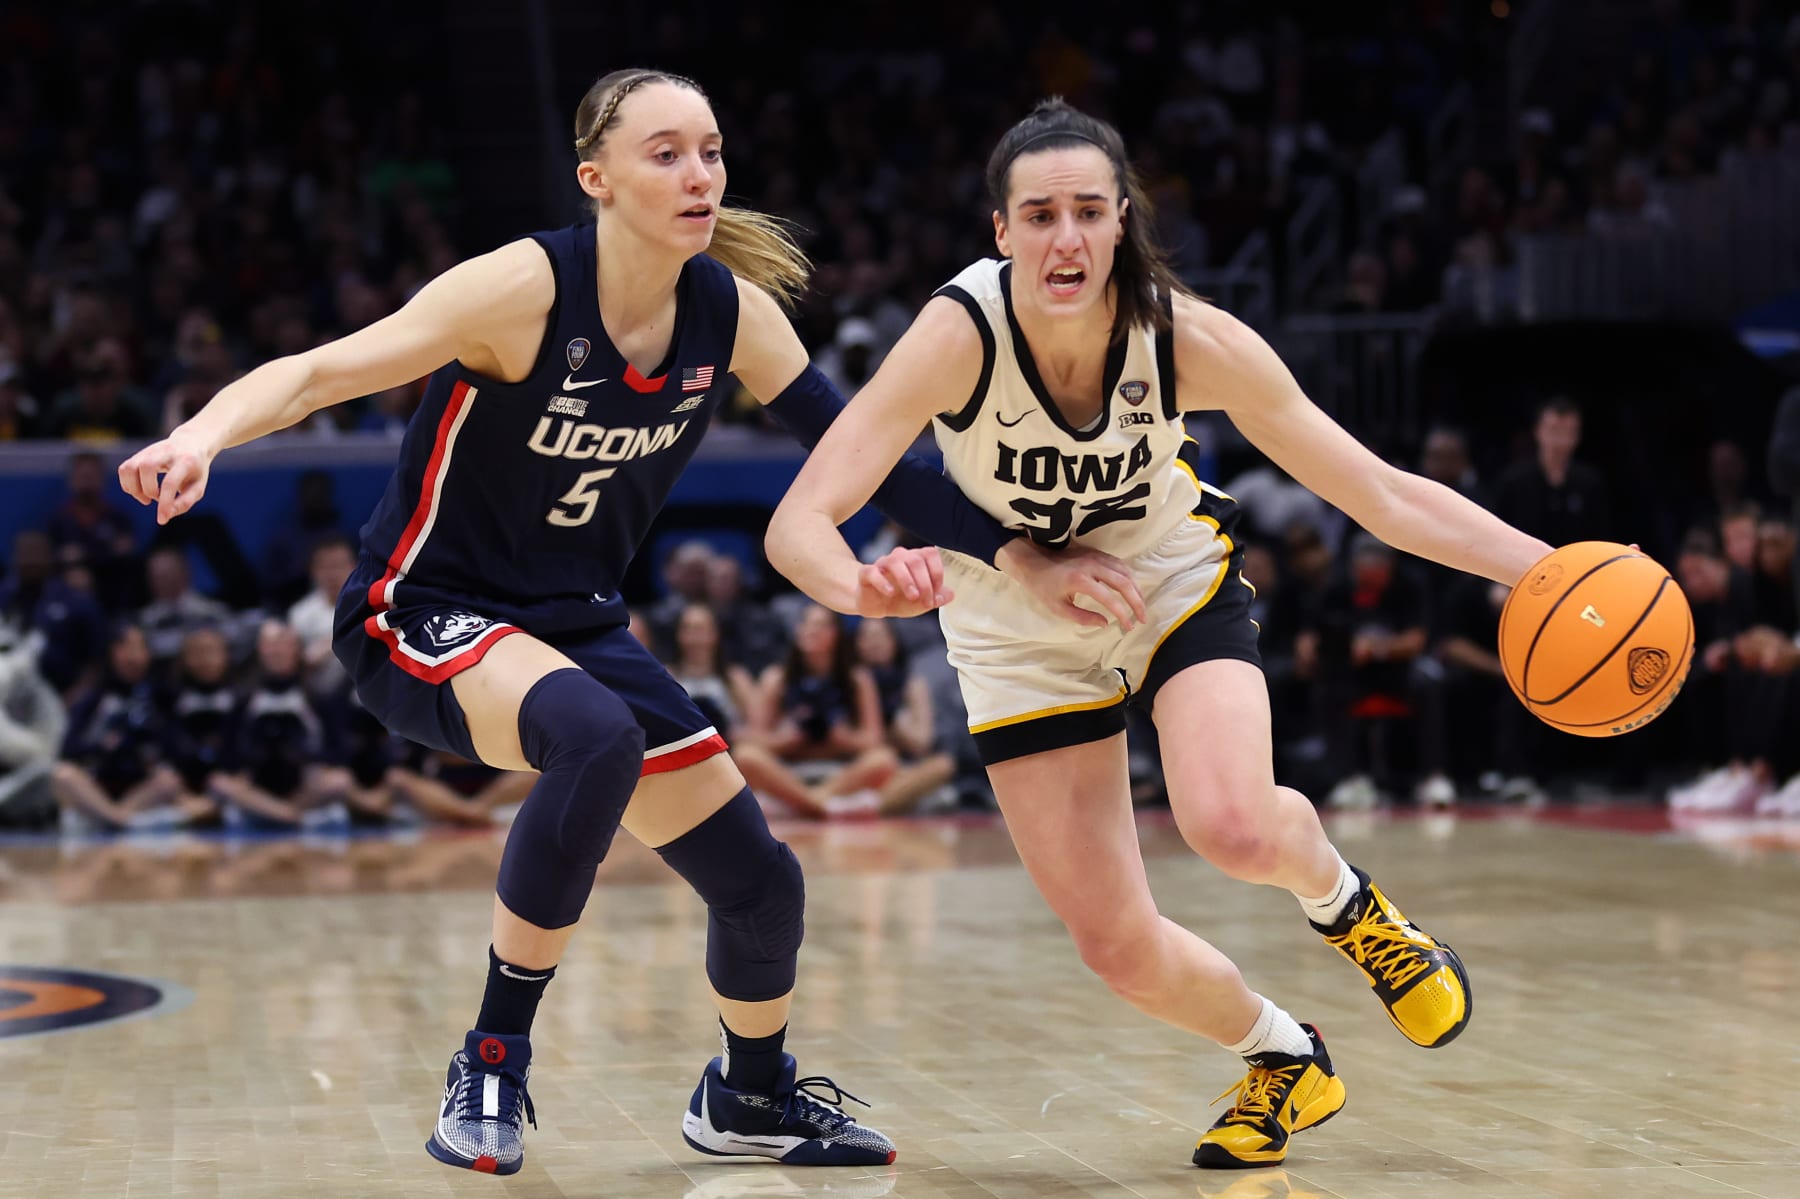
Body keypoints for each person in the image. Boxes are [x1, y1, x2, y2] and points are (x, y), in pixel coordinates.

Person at [116, 68, 1113, 1177]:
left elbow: (872, 456)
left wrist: (1024, 551)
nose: (699, 175)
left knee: (761, 882)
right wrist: (201, 436)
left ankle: (750, 1092)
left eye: (711, 151)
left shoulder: (732, 313)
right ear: (596, 178)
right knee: (595, 734)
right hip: (422, 610)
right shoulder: (523, 290)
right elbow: (318, 372)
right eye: (666, 153)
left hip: (575, 628)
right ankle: (491, 1060)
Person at [766, 98, 1558, 1170]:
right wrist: (867, 589)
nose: (1066, 238)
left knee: (1231, 824)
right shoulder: (959, 336)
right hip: (1014, 631)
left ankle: (1356, 912)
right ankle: (1282, 1054)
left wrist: (1550, 569)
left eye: (1089, 212)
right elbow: (798, 526)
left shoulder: (1186, 339)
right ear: (1000, 231)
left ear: (1123, 219)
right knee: (1116, 947)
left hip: (1165, 584)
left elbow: (1378, 491)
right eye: (1039, 215)